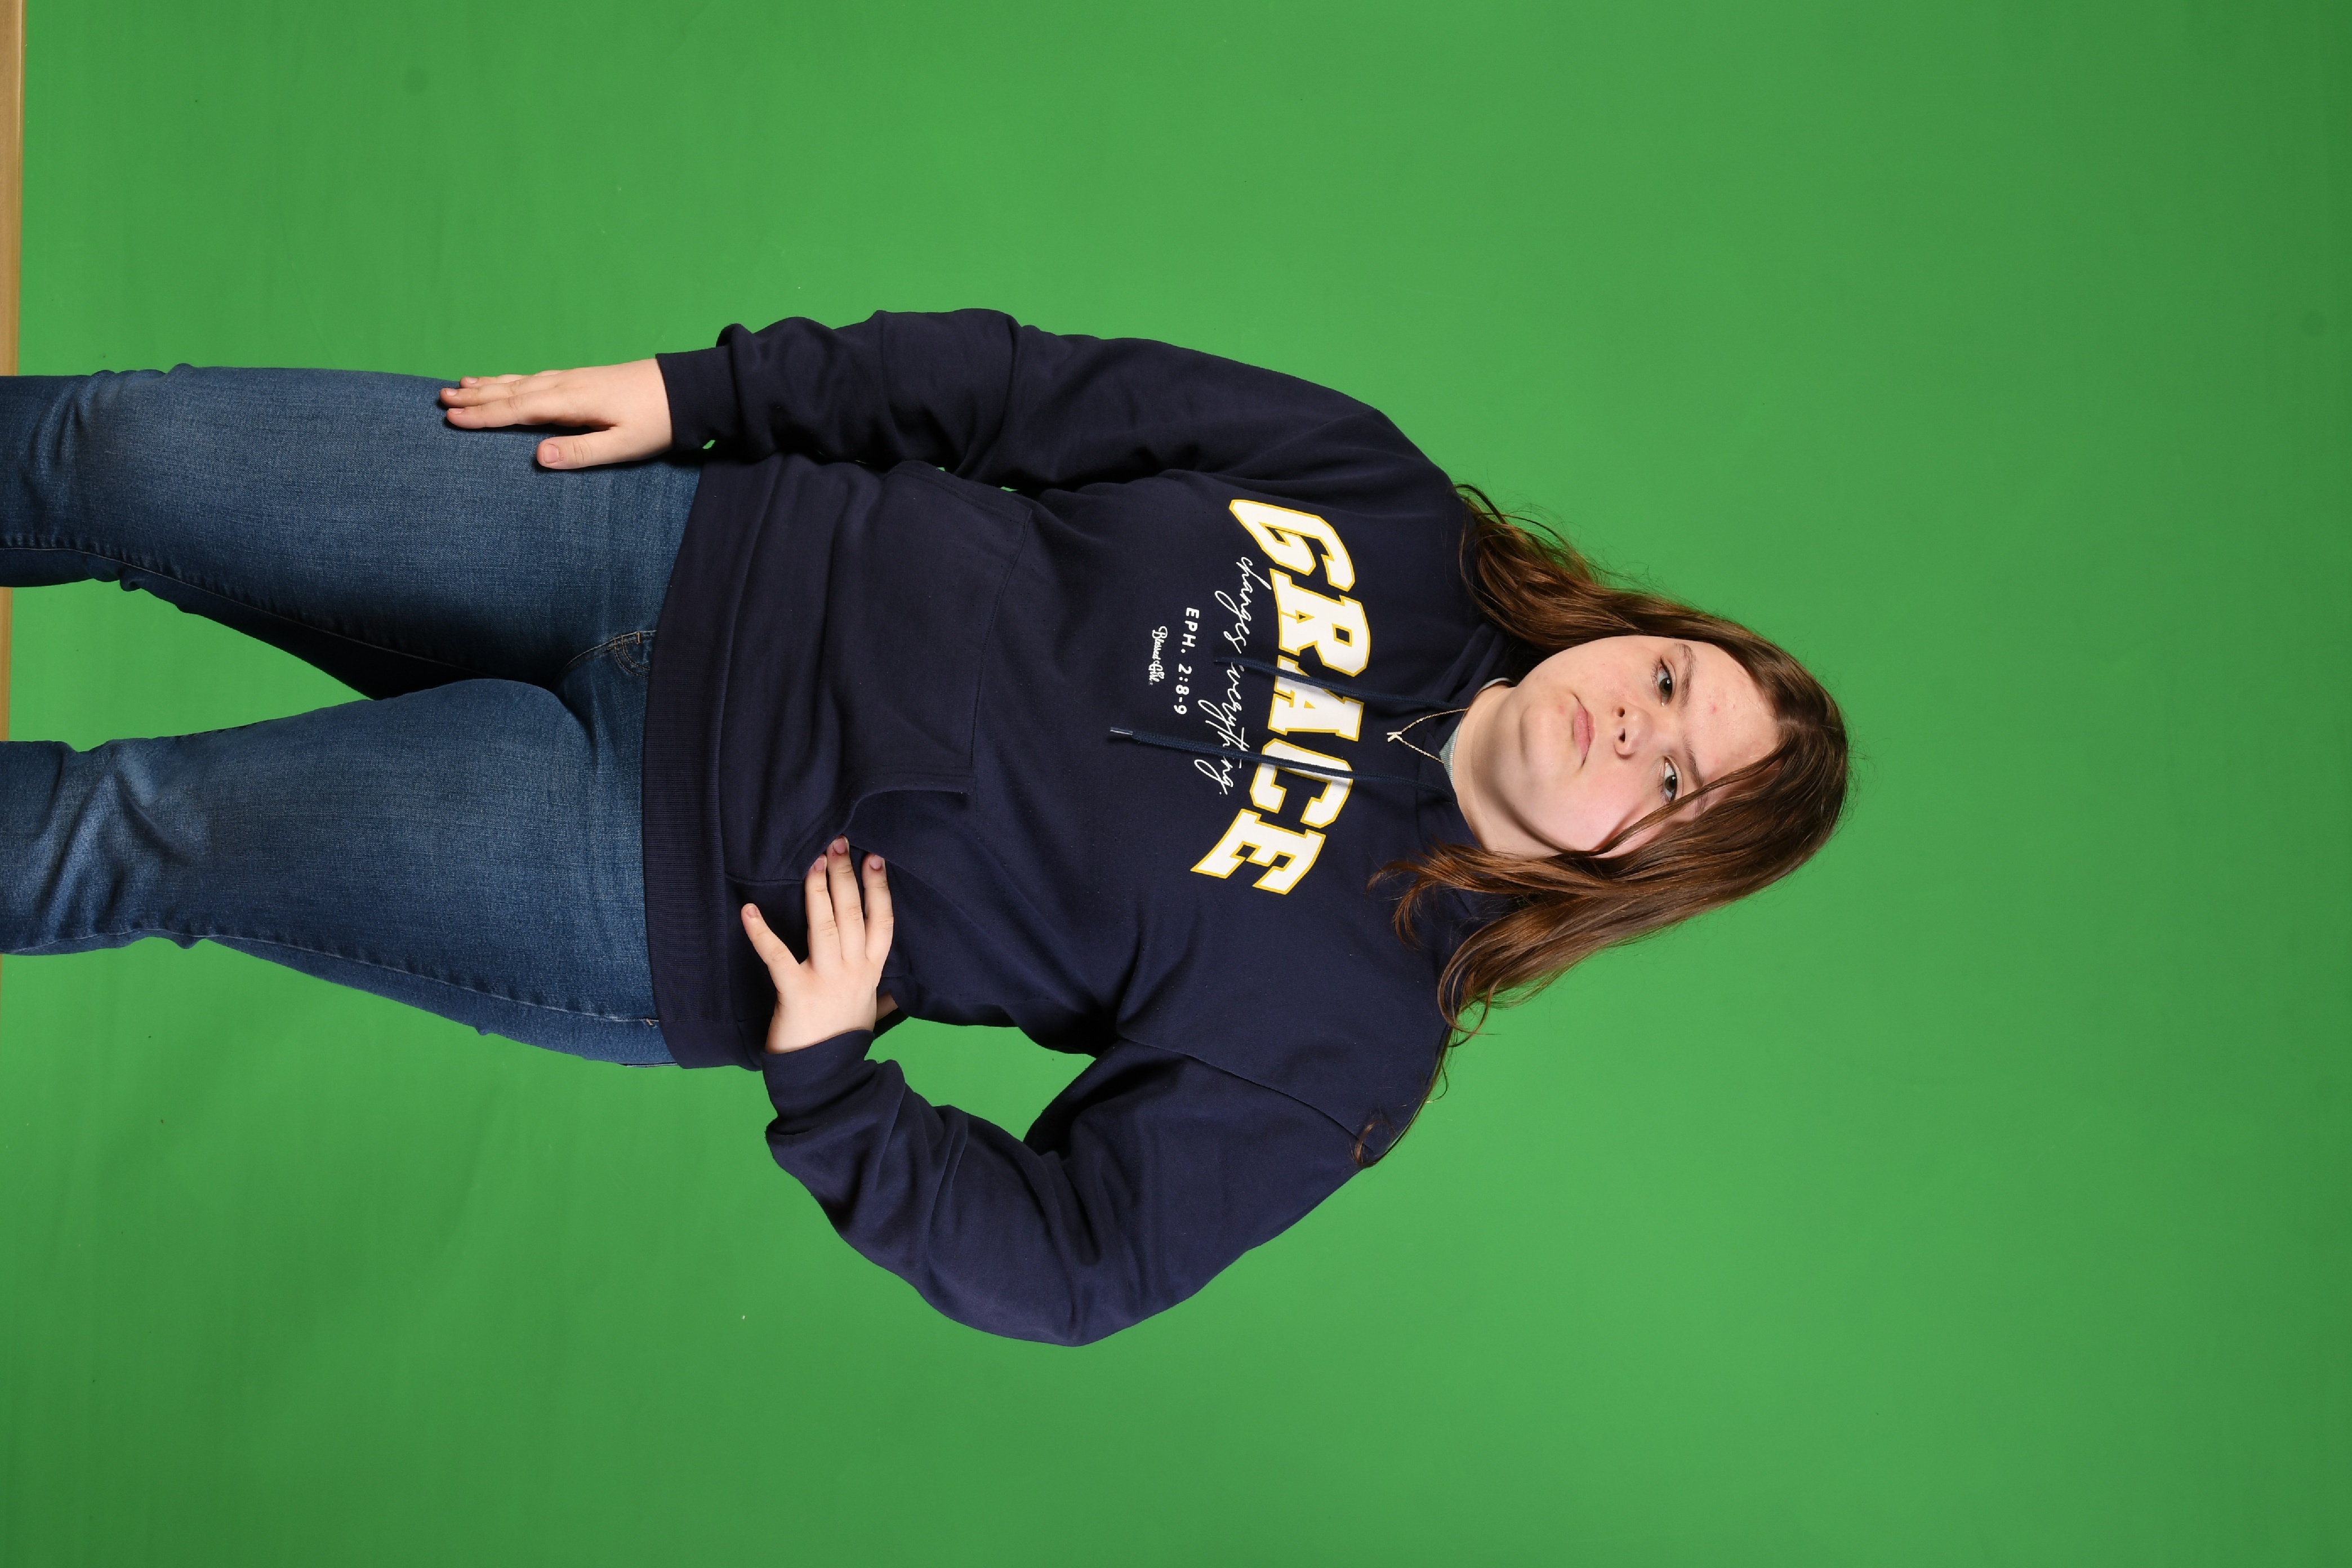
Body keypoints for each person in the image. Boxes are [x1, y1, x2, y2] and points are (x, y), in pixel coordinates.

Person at [0, 310, 1847, 1344]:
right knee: (118, 453)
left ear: (1641, 870)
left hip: (638, 871)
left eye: (1674, 785)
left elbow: (1082, 1259)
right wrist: (704, 394)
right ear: (1643, 631)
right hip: (664, 535)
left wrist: (837, 1092)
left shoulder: (1354, 1037)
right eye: (1672, 678)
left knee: (125, 828)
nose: (1638, 725)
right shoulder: (1387, 498)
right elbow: (1028, 392)